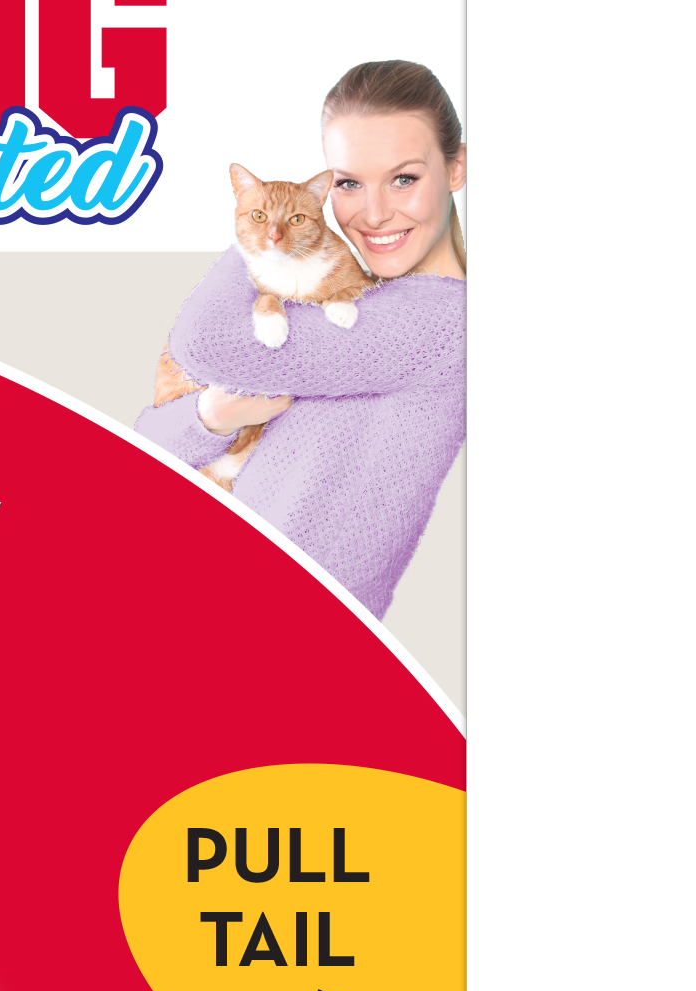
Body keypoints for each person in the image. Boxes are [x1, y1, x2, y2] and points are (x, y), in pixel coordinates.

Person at [136, 59, 466, 614]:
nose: (374, 214)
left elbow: (203, 344)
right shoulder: (351, 307)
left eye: (404, 179)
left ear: (456, 169)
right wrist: (209, 417)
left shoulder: (440, 322)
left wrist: (254, 227)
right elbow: (149, 445)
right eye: (349, 184)